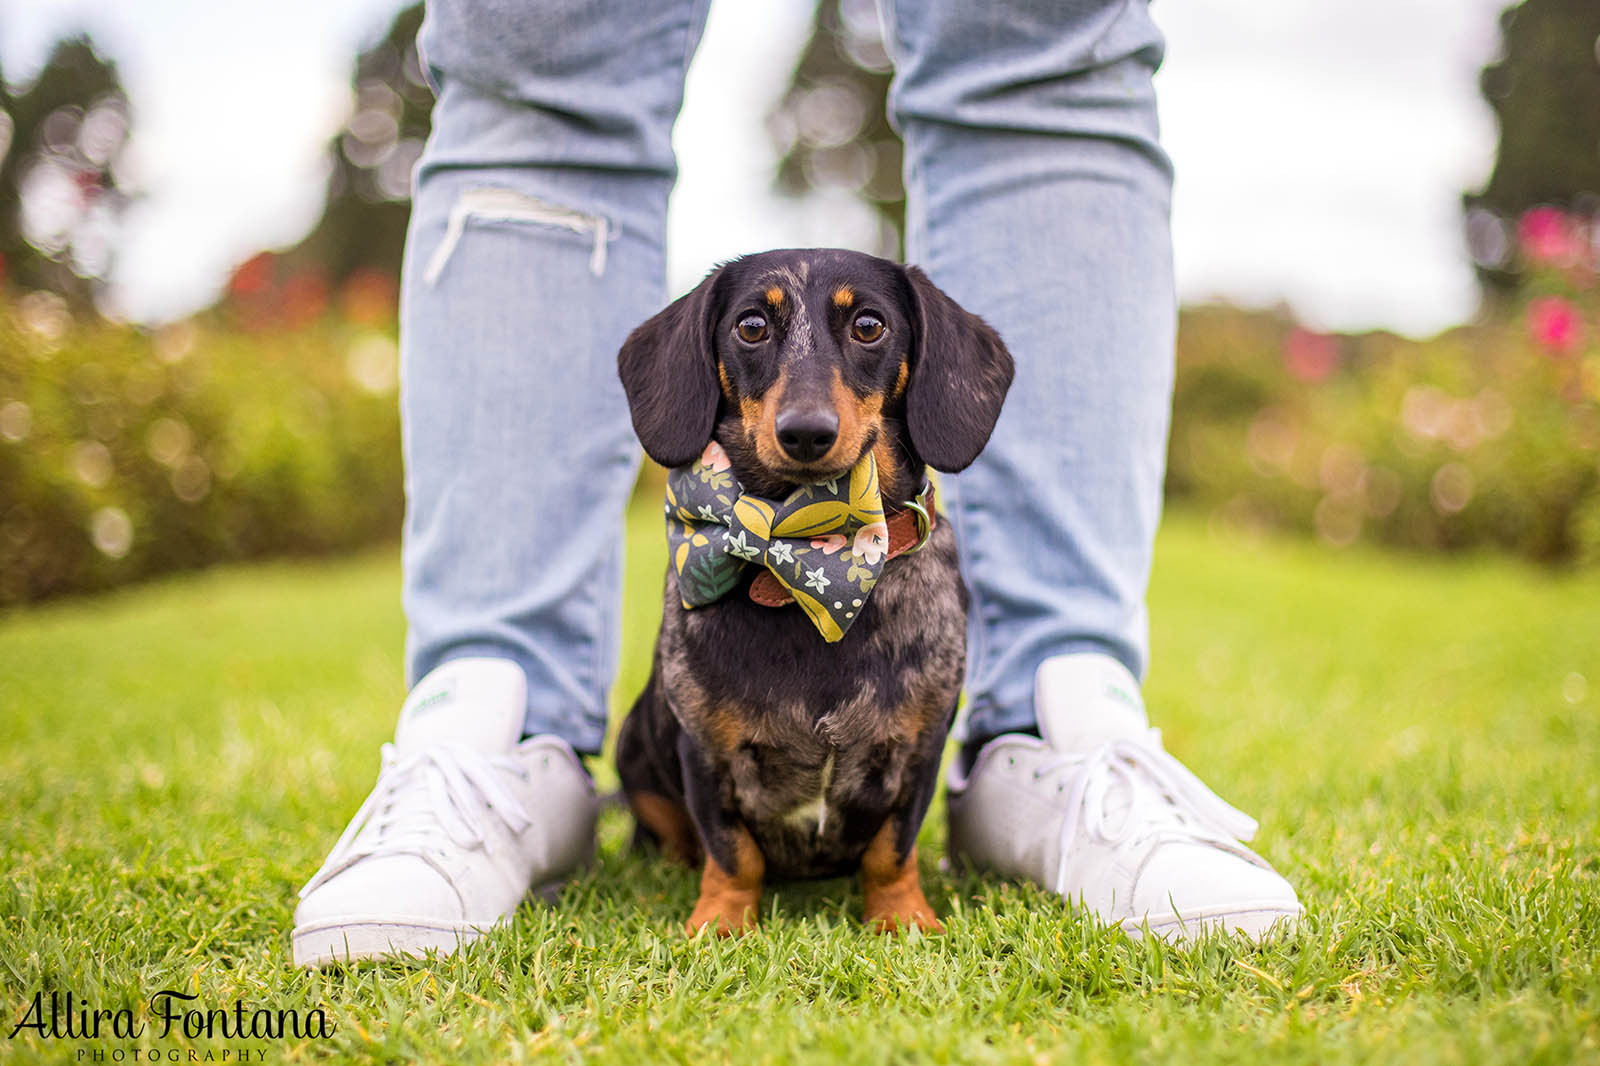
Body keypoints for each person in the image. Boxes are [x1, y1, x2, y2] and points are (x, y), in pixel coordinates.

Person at [291, 0, 1302, 967]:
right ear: (715, 360)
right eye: (758, 331)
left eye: (864, 333)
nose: (807, 402)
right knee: (535, 43)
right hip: (719, 725)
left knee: (1043, 42)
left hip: (894, 630)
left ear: (910, 364)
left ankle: (1061, 723)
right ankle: (492, 728)